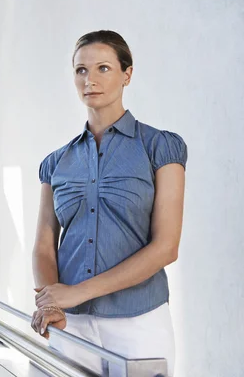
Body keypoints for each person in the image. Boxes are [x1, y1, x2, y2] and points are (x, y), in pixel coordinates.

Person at [31, 30, 187, 376]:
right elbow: (44, 245)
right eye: (81, 70)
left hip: (140, 324)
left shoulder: (160, 148)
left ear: (126, 74)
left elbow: (166, 247)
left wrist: (75, 293)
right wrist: (52, 303)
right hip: (71, 325)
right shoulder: (56, 162)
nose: (90, 80)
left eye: (103, 68)